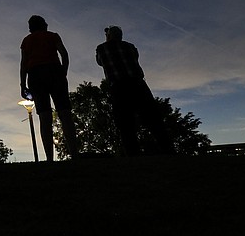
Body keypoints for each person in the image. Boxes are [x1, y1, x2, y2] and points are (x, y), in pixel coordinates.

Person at [95, 25, 174, 156]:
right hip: (137, 83)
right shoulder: (131, 47)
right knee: (153, 119)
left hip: (118, 87)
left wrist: (107, 40)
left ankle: (133, 155)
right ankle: (168, 150)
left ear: (108, 36)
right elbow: (135, 58)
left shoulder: (101, 48)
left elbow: (99, 62)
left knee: (125, 123)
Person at [19, 15, 79, 161]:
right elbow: (64, 54)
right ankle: (75, 154)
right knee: (65, 113)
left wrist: (22, 84)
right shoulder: (53, 36)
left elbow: (24, 63)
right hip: (54, 72)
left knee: (44, 116)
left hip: (35, 75)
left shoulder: (26, 40)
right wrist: (63, 72)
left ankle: (49, 158)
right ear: (44, 25)